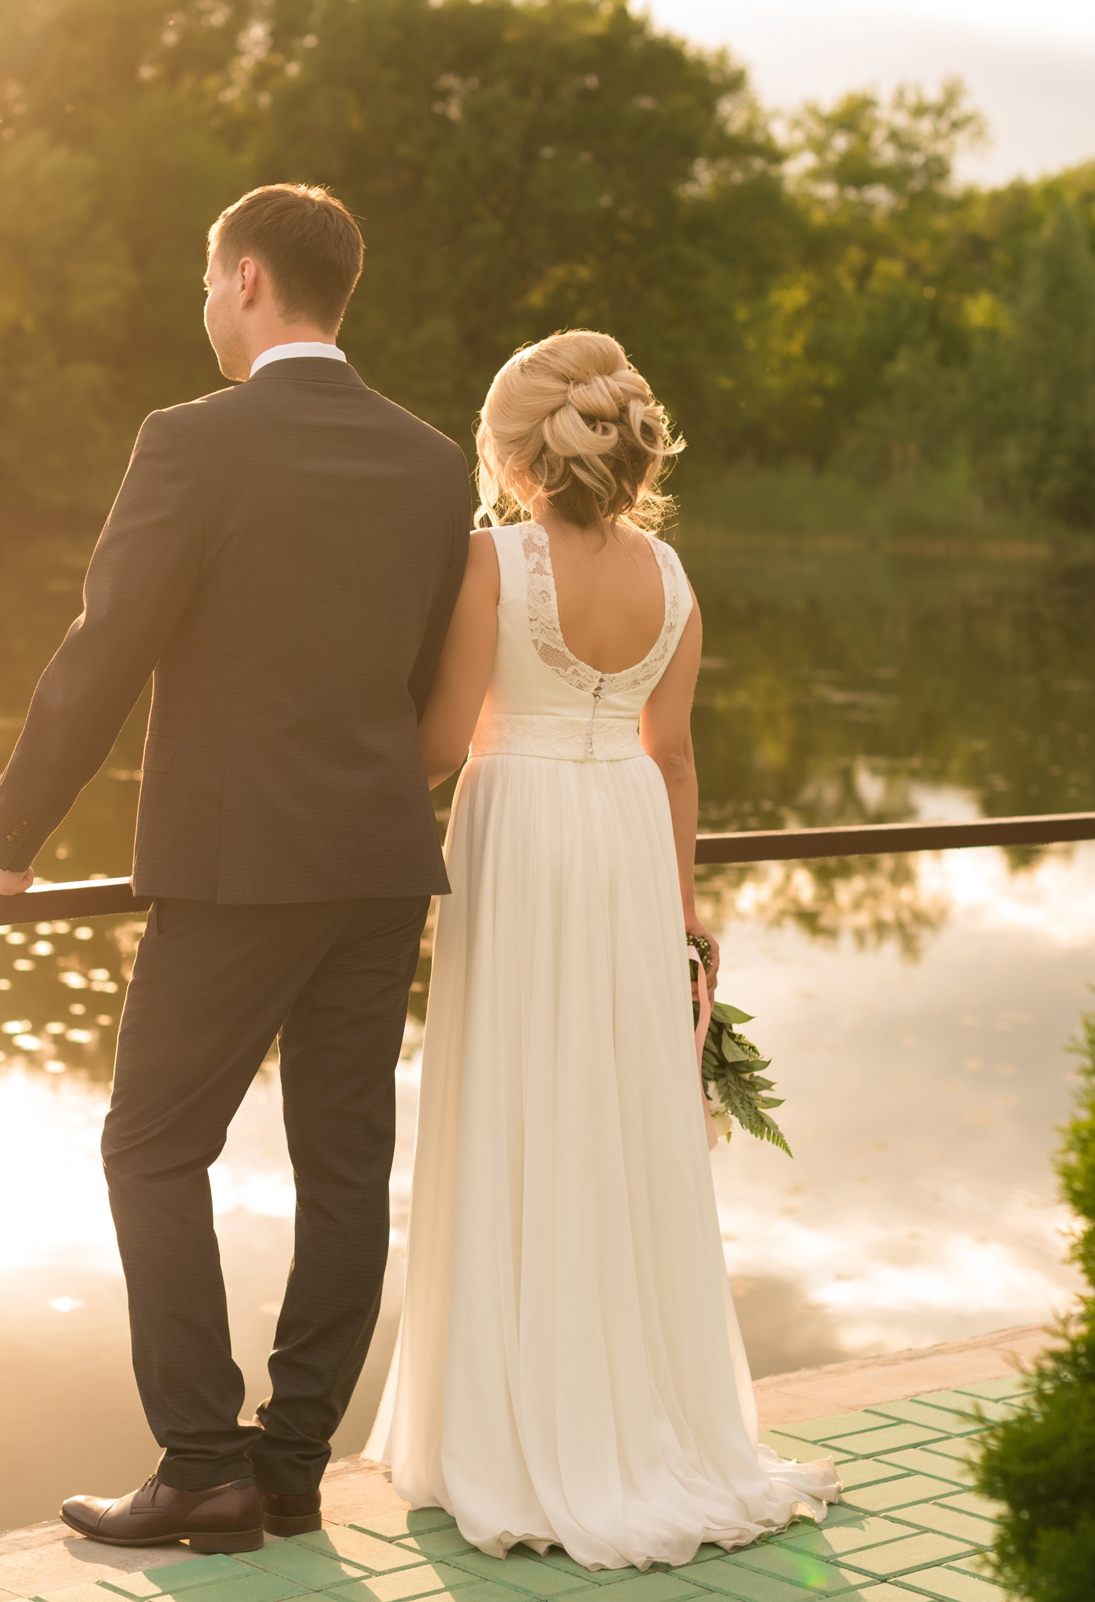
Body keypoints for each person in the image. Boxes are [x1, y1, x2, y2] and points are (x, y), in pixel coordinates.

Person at [0, 184, 470, 1554]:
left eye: (205, 280)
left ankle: (202, 1459)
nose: (203, 305)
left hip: (239, 870)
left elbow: (104, 650)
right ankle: (293, 1465)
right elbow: (425, 679)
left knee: (150, 1143)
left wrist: (10, 841)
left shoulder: (190, 440)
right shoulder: (434, 464)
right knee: (345, 1168)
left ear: (247, 279)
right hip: (375, 864)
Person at [365, 330, 839, 1570]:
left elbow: (435, 745)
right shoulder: (673, 577)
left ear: (516, 457)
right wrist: (680, 913)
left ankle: (515, 1435)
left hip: (518, 834)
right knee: (616, 1121)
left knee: (515, 1104)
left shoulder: (491, 563)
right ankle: (645, 1419)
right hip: (629, 847)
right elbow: (672, 757)